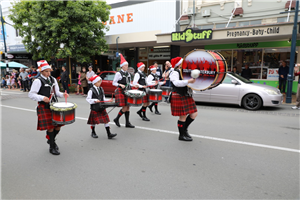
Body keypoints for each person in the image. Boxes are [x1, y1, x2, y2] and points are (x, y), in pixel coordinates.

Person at [28, 60, 69, 155]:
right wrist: (42, 97)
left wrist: (63, 94)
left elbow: (57, 93)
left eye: (49, 71)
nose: (48, 73)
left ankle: (51, 140)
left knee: (58, 126)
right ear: (41, 71)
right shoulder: (38, 81)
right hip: (44, 106)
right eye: (46, 71)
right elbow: (31, 94)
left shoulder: (53, 79)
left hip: (54, 106)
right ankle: (52, 146)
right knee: (50, 127)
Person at [169, 57, 198, 142]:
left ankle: (184, 129)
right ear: (179, 64)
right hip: (178, 95)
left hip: (186, 95)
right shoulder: (174, 72)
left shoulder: (185, 72)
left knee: (194, 114)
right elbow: (176, 83)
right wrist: (188, 81)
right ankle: (181, 135)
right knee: (183, 116)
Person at [86, 75, 117, 139]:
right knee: (94, 121)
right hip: (95, 108)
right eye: (99, 82)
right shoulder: (91, 90)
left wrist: (108, 100)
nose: (100, 83)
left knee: (106, 120)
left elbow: (103, 98)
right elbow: (88, 99)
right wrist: (94, 100)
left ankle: (109, 134)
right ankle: (93, 132)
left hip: (102, 107)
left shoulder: (101, 89)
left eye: (100, 81)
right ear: (95, 82)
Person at [112, 53, 136, 128]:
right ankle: (116, 119)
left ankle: (127, 123)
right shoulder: (118, 74)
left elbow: (128, 83)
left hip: (127, 91)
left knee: (128, 107)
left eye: (127, 65)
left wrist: (133, 85)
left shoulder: (128, 74)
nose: (127, 67)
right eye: (125, 65)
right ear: (122, 66)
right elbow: (114, 83)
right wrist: (120, 85)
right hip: (121, 91)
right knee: (125, 107)